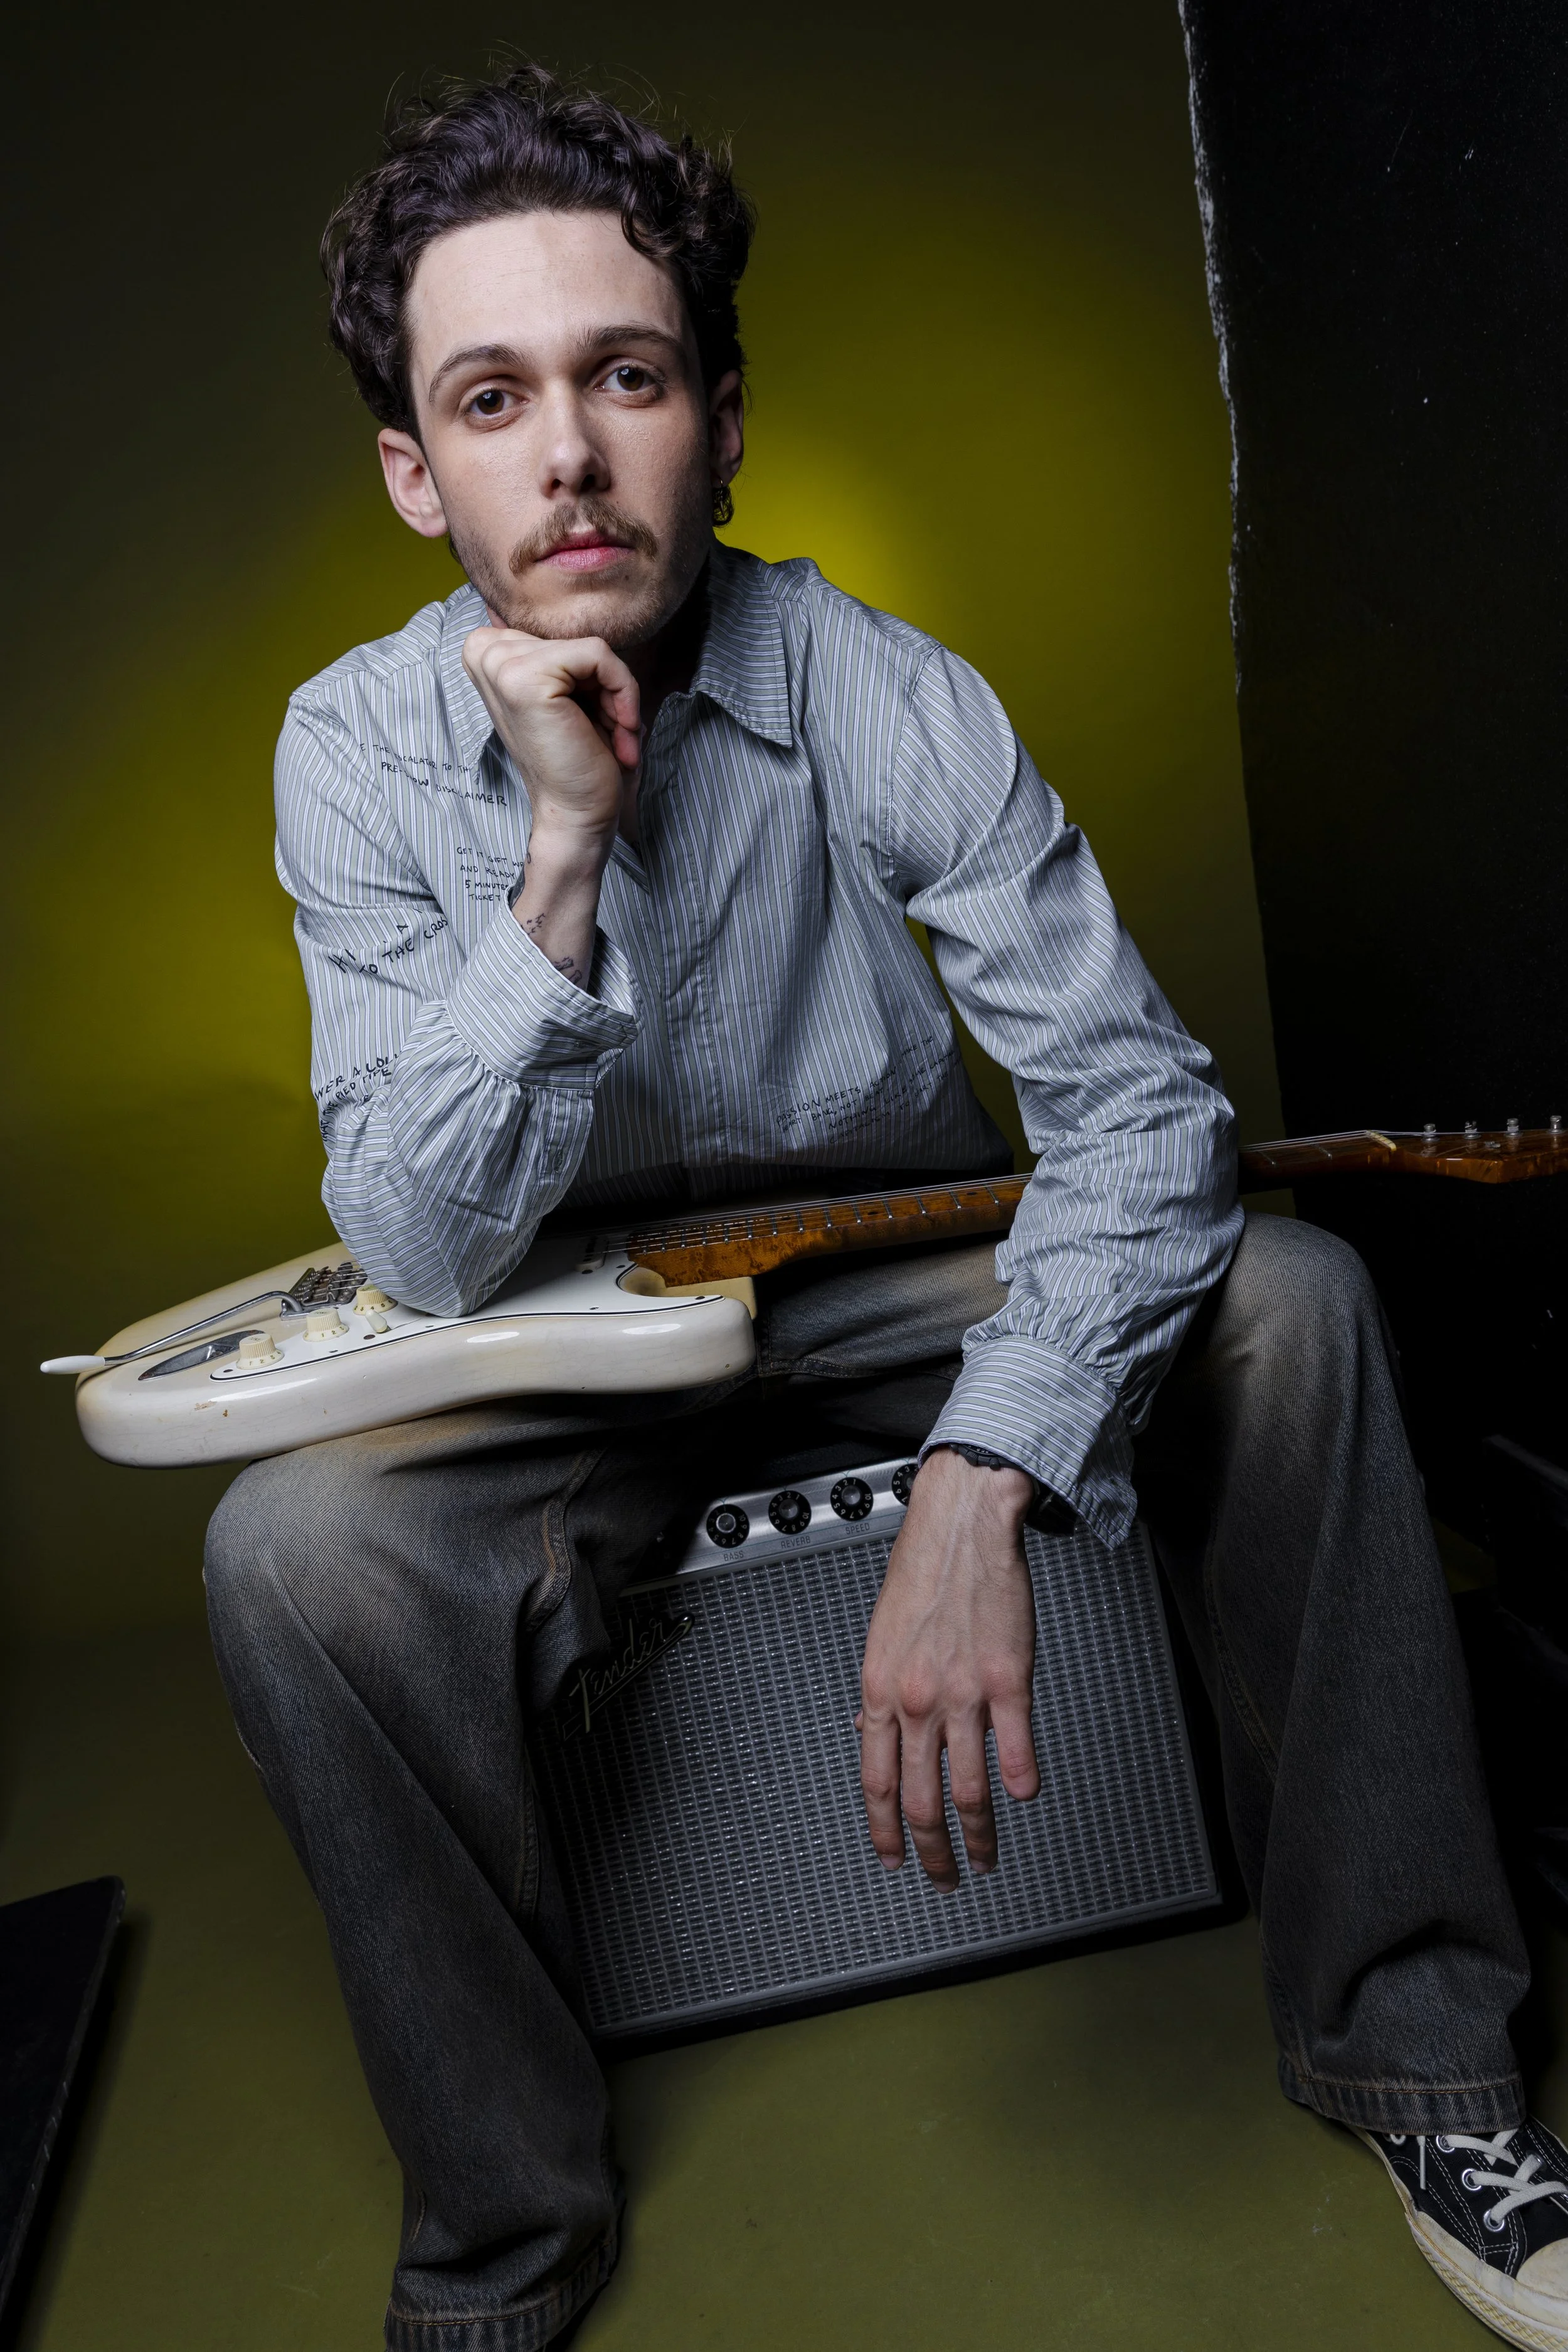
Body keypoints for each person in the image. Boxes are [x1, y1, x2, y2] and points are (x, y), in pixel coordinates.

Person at [203, 63, 1568, 2352]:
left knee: (1300, 1303)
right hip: (566, 1345)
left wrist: (982, 1468)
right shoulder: (346, 755)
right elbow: (425, 1245)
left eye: (625, 377)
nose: (567, 454)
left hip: (896, 1290)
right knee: (290, 1553)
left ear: (717, 420)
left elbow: (1137, 1109)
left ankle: (1415, 2047)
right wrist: (554, 859)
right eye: (492, 397)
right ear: (411, 468)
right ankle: (501, 2243)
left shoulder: (874, 684)